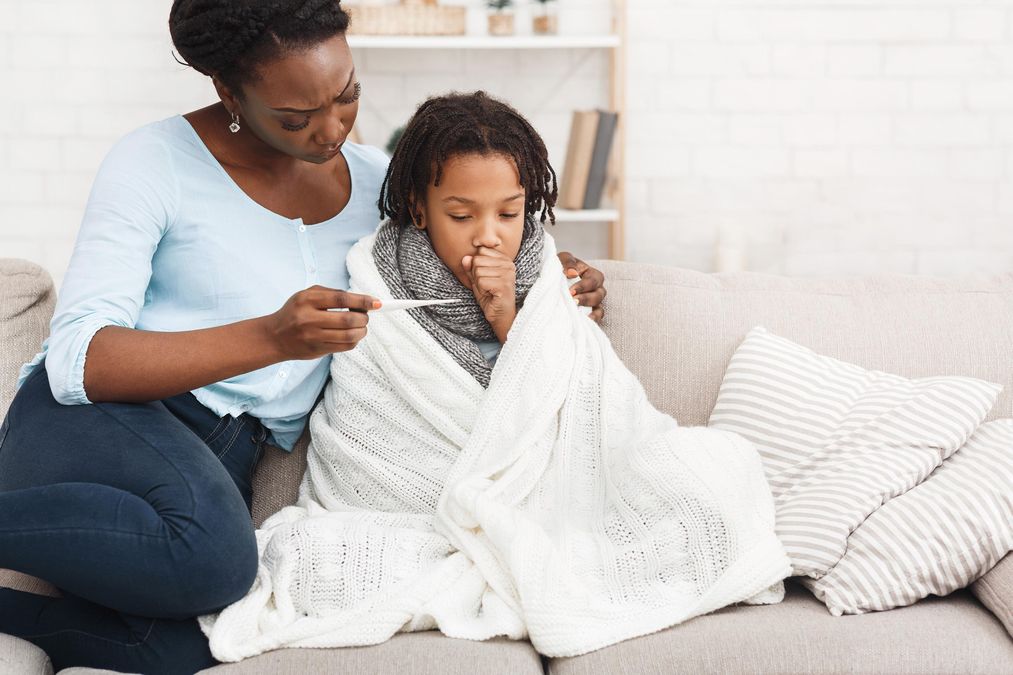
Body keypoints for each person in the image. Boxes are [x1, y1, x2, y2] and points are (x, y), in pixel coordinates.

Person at [0, 2, 607, 673]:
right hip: (99, 425)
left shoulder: (380, 181)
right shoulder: (154, 162)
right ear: (228, 92)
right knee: (216, 559)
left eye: (346, 95)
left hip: (223, 456)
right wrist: (270, 336)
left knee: (209, 642)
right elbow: (78, 359)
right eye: (295, 115)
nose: (331, 129)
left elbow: (471, 247)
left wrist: (553, 278)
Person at [197, 91, 790, 663]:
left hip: (557, 498)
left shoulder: (552, 277)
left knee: (719, 470)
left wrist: (512, 317)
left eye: (509, 212)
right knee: (316, 555)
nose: (490, 234)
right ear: (417, 209)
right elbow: (371, 422)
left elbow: (584, 404)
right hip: (416, 509)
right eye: (462, 214)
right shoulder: (374, 284)